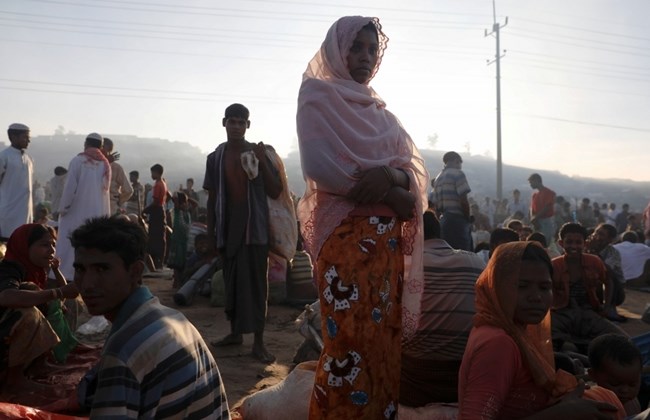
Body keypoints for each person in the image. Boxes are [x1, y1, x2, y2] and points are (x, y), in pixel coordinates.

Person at [296, 16, 428, 419]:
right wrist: (392, 192)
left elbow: (416, 173)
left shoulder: (382, 116)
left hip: (385, 247)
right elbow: (322, 165)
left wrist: (391, 175)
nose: (366, 57)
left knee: (381, 343)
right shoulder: (317, 96)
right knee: (349, 344)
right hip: (345, 241)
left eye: (372, 49)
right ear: (339, 49)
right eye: (357, 47)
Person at [65, 216, 230, 418]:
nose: (87, 283)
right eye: (80, 269)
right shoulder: (172, 318)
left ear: (135, 271)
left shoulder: (122, 351)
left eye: (102, 269)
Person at [458, 241, 625, 419]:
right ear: (497, 288)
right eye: (522, 286)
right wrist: (562, 412)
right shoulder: (498, 343)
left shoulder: (511, 330)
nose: (536, 297)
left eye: (544, 287)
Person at [203, 103, 282, 364]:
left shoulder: (260, 153)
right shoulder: (215, 158)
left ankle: (258, 343)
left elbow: (275, 190)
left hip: (255, 230)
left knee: (258, 286)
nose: (236, 126)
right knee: (232, 283)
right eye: (232, 121)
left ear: (248, 125)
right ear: (224, 123)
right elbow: (213, 197)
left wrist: (262, 159)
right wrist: (212, 232)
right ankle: (235, 333)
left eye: (241, 122)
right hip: (229, 230)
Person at [400, 212, 485, 406]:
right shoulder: (475, 262)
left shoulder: (403, 265)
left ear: (409, 233)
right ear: (440, 233)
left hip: (412, 380)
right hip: (462, 378)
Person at [0, 224, 79, 396]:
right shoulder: (10, 268)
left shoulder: (36, 271)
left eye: (53, 245)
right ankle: (14, 379)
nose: (51, 250)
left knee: (56, 301)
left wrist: (56, 292)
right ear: (25, 246)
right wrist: (56, 293)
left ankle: (40, 362)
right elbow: (6, 297)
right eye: (44, 245)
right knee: (29, 310)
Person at [551, 223, 626, 353]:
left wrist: (607, 307)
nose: (574, 246)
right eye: (569, 242)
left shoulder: (594, 261)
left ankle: (576, 345)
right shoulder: (554, 265)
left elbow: (608, 281)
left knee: (623, 340)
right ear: (561, 243)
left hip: (587, 312)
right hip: (561, 313)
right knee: (548, 339)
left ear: (584, 244)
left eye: (578, 242)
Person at [56, 132, 111, 280]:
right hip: (96, 215)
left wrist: (63, 209)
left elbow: (69, 188)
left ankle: (65, 276)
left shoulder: (78, 161)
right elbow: (105, 194)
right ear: (100, 146)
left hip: (75, 212)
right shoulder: (105, 165)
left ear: (86, 144)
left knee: (69, 244)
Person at [588, 333, 643, 417]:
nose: (625, 390)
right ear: (593, 375)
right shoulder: (591, 404)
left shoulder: (633, 402)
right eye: (615, 384)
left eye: (632, 384)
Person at [432, 151, 473, 251]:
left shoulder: (438, 178)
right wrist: (467, 218)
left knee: (448, 254)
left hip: (444, 221)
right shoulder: (458, 174)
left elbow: (435, 206)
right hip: (458, 220)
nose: (460, 165)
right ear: (456, 161)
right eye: (460, 162)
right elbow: (463, 200)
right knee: (464, 254)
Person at [587, 223, 627, 322]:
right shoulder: (585, 247)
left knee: (607, 275)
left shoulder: (613, 253)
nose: (596, 236)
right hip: (592, 289)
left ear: (610, 240)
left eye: (601, 234)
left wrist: (593, 251)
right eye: (596, 232)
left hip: (615, 292)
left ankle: (609, 308)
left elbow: (605, 270)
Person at [0, 123, 34, 239]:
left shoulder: (28, 159)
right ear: (14, 137)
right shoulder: (4, 157)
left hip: (26, 211)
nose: (28, 141)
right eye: (25, 137)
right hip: (8, 212)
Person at [142, 163, 169, 269]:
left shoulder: (158, 185)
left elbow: (156, 201)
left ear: (157, 173)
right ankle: (159, 261)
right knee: (159, 237)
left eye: (152, 173)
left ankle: (156, 261)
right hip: (160, 211)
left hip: (157, 211)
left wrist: (145, 210)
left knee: (155, 237)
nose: (151, 175)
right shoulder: (163, 183)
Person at [103, 138, 133, 215]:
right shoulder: (116, 167)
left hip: (94, 207)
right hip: (112, 207)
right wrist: (118, 201)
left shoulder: (90, 165)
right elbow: (128, 190)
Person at [168, 192, 192, 288]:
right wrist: (179, 199)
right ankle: (176, 281)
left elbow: (195, 204)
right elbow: (175, 199)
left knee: (181, 262)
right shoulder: (177, 211)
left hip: (184, 241)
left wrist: (187, 198)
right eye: (184, 203)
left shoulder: (187, 213)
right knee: (176, 264)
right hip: (177, 240)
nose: (186, 204)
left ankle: (178, 281)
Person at [528, 173, 556, 244]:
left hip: (546, 221)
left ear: (537, 180)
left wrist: (535, 218)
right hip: (536, 222)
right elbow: (532, 209)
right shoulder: (535, 195)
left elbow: (547, 207)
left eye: (531, 182)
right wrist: (533, 220)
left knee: (546, 242)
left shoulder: (549, 192)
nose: (530, 185)